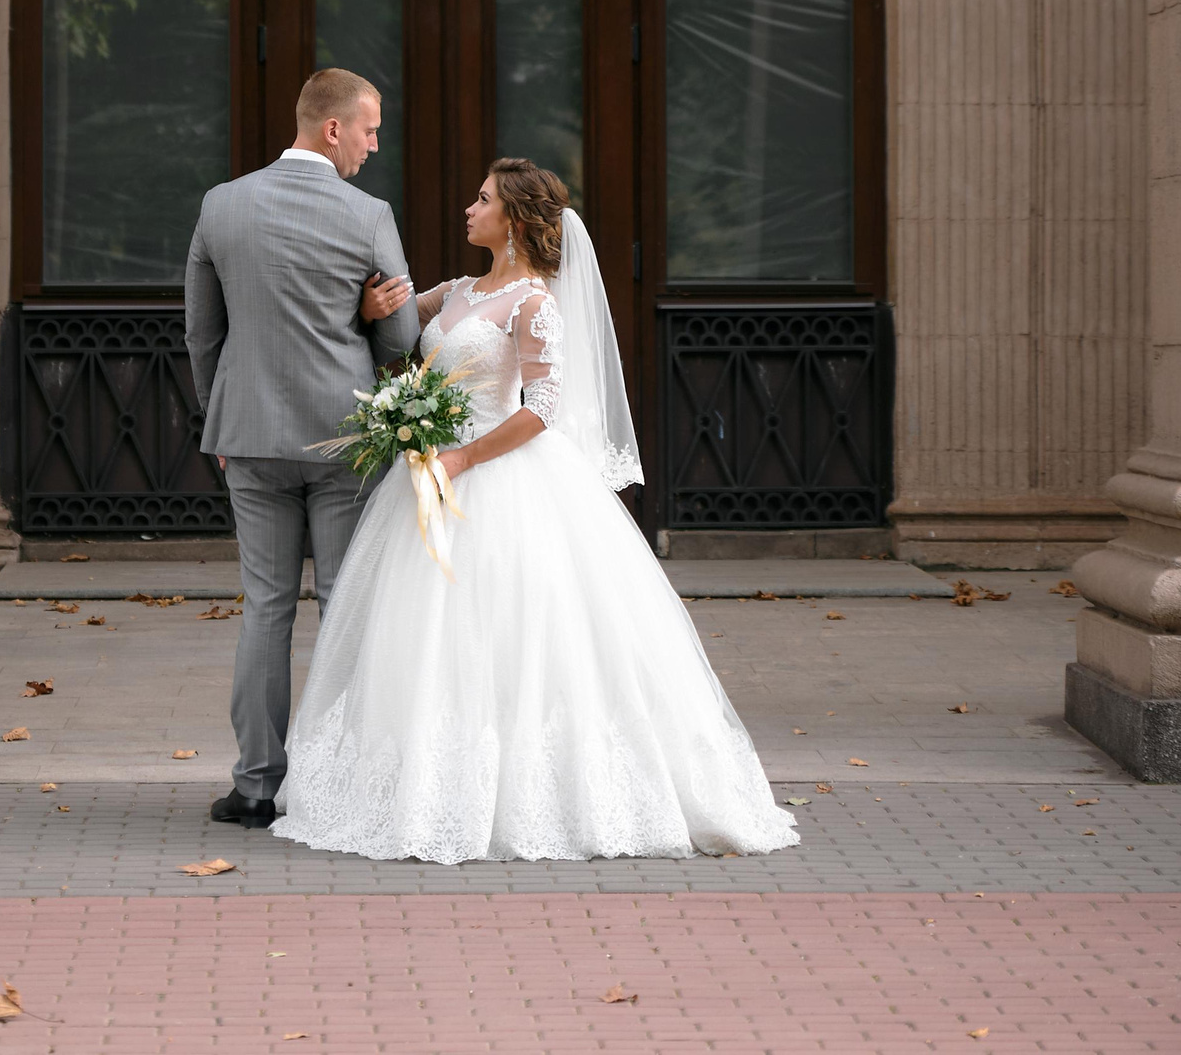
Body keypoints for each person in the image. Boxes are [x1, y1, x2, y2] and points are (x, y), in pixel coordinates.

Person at [270, 159, 800, 862]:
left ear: (514, 219)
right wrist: (374, 315)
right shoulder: (455, 291)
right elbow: (395, 325)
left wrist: (463, 458)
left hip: (497, 474)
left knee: (516, 627)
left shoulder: (532, 302)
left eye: (482, 199)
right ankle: (422, 783)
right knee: (425, 631)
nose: (469, 208)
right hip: (428, 476)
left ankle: (529, 790)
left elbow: (543, 407)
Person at [184, 67, 420, 830]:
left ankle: (256, 785)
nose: (373, 145)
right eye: (369, 130)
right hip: (345, 439)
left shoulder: (222, 205)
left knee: (265, 607)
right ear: (333, 128)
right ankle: (341, 784)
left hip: (249, 435)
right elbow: (401, 338)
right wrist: (364, 314)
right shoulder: (369, 215)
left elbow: (202, 331)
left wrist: (220, 417)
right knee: (344, 605)